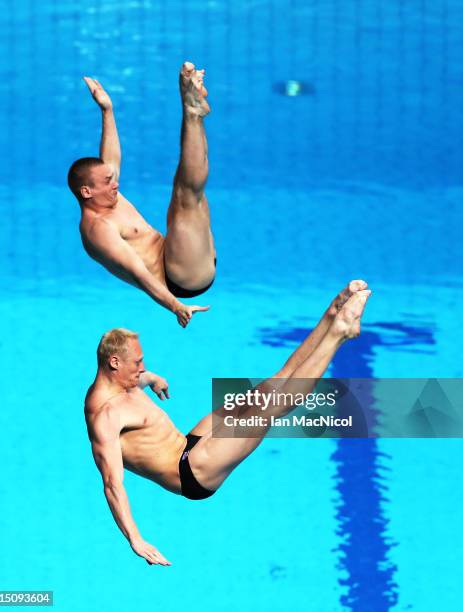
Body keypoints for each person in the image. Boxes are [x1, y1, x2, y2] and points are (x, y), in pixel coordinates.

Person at [84, 281, 371, 565]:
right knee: (275, 405)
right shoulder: (105, 417)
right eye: (137, 363)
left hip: (189, 443)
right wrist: (136, 539)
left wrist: (150, 379)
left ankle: (332, 314)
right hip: (192, 471)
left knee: (271, 387)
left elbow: (136, 386)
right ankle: (339, 333)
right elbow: (112, 483)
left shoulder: (122, 383)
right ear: (114, 363)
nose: (142, 367)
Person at [68, 62, 215, 328]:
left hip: (180, 252)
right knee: (184, 198)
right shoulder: (98, 230)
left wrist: (107, 109)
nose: (115, 184)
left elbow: (110, 159)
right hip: (180, 280)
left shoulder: (106, 197)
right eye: (107, 181)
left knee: (191, 194)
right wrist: (176, 307)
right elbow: (139, 275)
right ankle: (192, 109)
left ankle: (195, 112)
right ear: (87, 192)